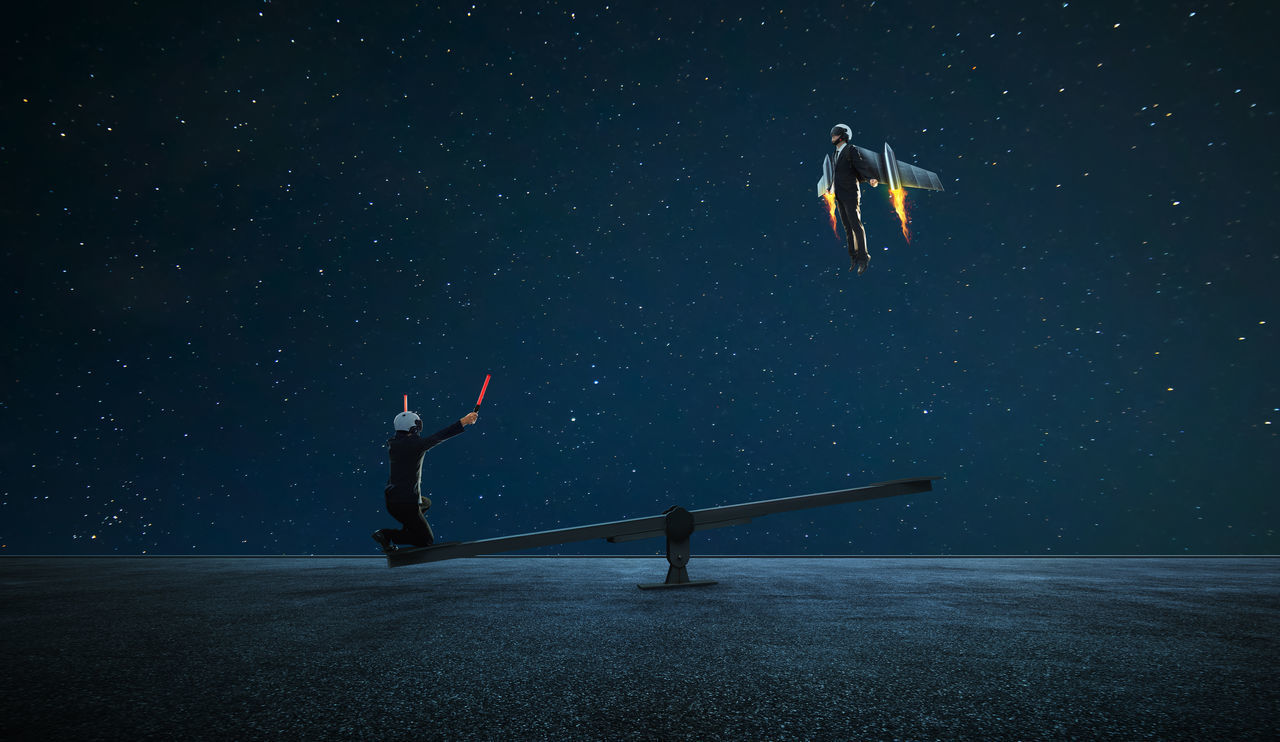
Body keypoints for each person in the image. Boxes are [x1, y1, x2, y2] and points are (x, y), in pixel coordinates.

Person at [372, 408, 479, 553]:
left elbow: (405, 438)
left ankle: (409, 528)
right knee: (426, 540)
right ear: (414, 427)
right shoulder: (415, 446)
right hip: (407, 503)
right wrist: (464, 422)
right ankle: (386, 535)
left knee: (426, 503)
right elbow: (439, 436)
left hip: (393, 500)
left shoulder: (393, 443)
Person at [829, 124, 879, 274]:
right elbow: (835, 174)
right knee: (847, 227)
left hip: (850, 193)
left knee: (855, 225)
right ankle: (854, 256)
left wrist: (870, 178)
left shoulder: (851, 150)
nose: (833, 138)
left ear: (842, 136)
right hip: (839, 194)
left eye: (835, 135)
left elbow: (860, 165)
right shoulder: (835, 155)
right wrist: (830, 187)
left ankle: (864, 257)